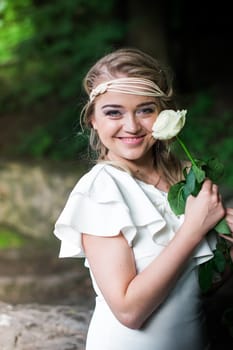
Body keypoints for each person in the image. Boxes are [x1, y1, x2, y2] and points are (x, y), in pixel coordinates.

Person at [53, 47, 233, 350]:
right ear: (94, 120)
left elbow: (198, 288)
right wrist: (192, 230)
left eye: (145, 109)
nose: (132, 126)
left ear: (164, 113)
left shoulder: (186, 178)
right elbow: (129, 311)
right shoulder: (100, 193)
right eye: (113, 112)